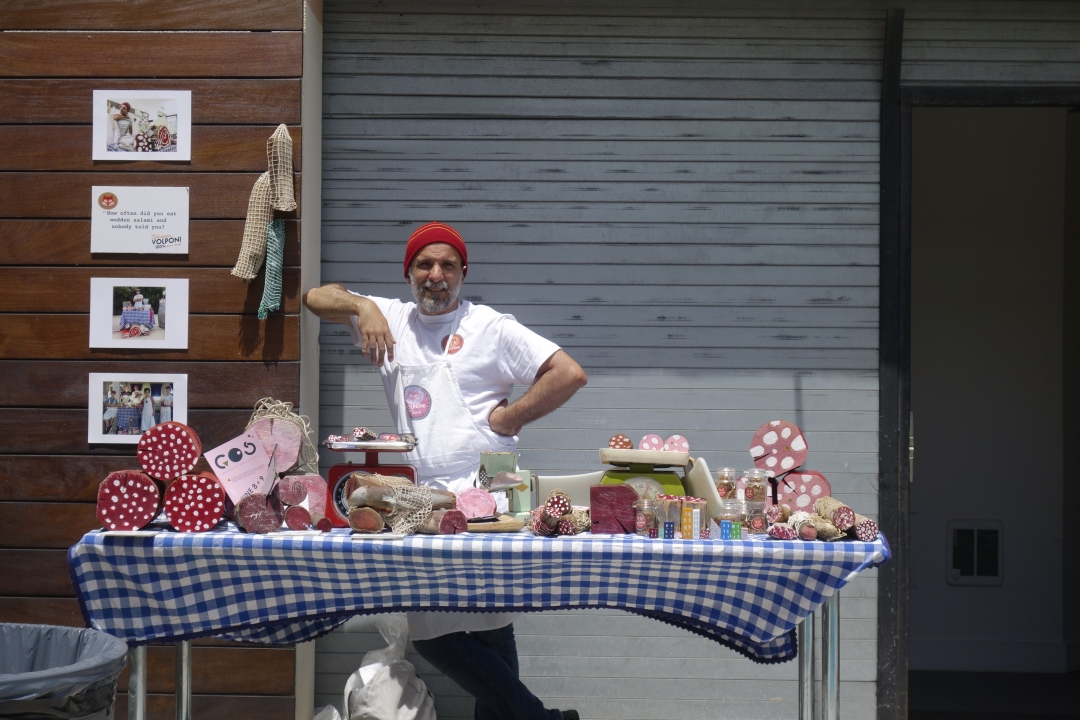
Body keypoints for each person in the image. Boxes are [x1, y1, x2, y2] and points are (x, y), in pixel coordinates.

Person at [303, 222, 587, 720]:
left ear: (462, 274)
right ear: (409, 273)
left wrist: (508, 418)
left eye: (448, 265)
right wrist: (362, 306)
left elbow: (567, 373)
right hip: (419, 501)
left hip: (485, 493)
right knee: (431, 630)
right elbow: (314, 297)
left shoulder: (491, 327)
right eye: (425, 264)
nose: (436, 275)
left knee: (491, 625)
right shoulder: (389, 316)